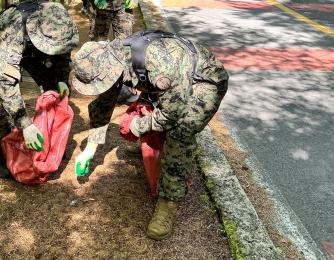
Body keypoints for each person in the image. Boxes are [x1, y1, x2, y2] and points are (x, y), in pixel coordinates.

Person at [71, 30, 229, 240]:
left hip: (204, 81)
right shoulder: (114, 58)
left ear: (109, 69)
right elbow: (104, 102)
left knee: (181, 131)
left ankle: (168, 202)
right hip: (174, 83)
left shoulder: (158, 65)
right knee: (148, 111)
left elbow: (173, 113)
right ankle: (152, 147)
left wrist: (141, 126)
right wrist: (91, 148)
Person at [0, 0, 79, 178]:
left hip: (34, 49)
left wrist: (62, 79)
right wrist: (25, 125)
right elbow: (4, 82)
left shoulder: (59, 18)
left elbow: (62, 52)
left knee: (56, 92)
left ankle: (50, 143)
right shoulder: (13, 29)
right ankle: (0, 153)